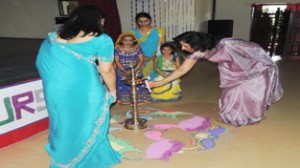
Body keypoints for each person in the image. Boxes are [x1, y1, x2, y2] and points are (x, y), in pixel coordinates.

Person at [35, 5, 121, 167]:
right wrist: (112, 90)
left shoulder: (53, 37)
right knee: (89, 120)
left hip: (56, 88)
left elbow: (41, 63)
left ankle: (62, 151)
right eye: (102, 20)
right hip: (86, 89)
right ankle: (83, 158)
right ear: (98, 21)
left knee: (64, 120)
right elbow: (107, 70)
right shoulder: (102, 39)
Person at [150, 31, 284, 126]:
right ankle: (232, 117)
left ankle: (250, 118)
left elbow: (254, 48)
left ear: (196, 43)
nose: (183, 48)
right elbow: (182, 69)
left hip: (253, 69)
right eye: (182, 46)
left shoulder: (227, 44)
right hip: (231, 71)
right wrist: (161, 81)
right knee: (231, 95)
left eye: (186, 45)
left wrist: (265, 62)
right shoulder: (198, 52)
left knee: (250, 95)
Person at [114, 32, 151, 104]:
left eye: (130, 40)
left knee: (138, 83)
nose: (128, 42)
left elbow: (141, 60)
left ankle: (140, 98)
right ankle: (125, 99)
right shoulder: (117, 50)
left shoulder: (137, 49)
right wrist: (124, 70)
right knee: (123, 83)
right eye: (125, 40)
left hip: (136, 69)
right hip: (122, 69)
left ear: (133, 41)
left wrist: (136, 69)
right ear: (121, 41)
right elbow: (117, 61)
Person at [129, 12, 165, 80]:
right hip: (139, 57)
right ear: (137, 22)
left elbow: (163, 46)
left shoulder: (159, 31)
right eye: (140, 22)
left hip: (155, 57)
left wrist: (155, 57)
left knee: (155, 78)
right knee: (141, 79)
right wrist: (141, 56)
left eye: (146, 21)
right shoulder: (132, 32)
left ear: (150, 21)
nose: (143, 24)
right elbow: (130, 47)